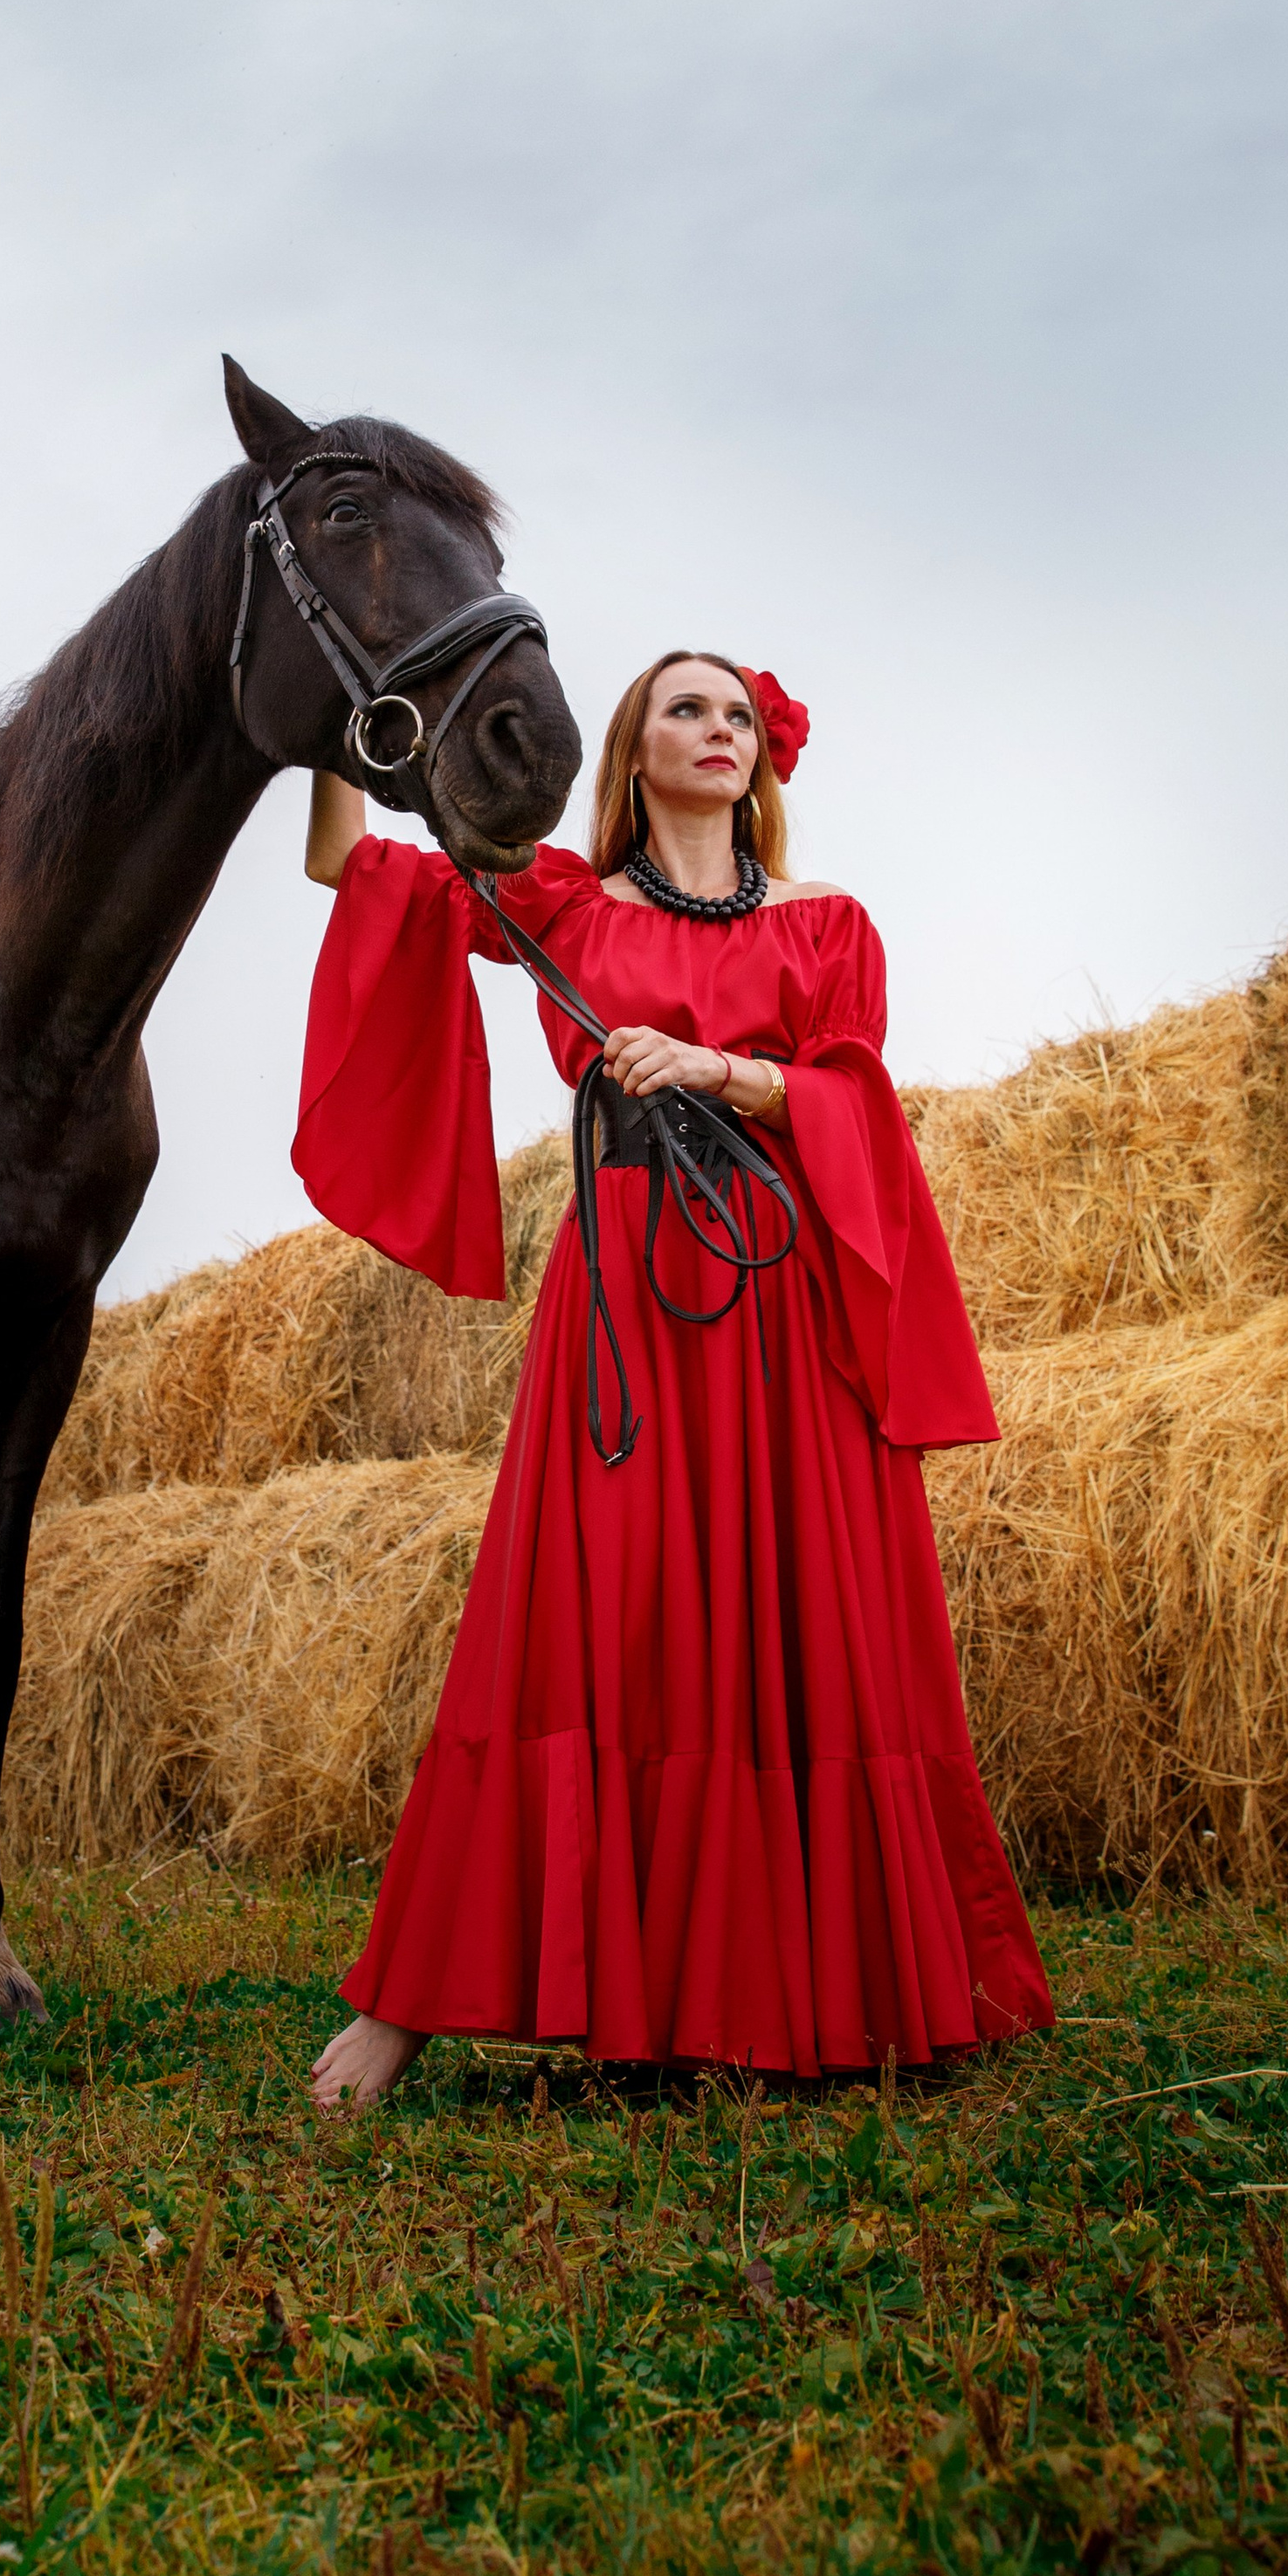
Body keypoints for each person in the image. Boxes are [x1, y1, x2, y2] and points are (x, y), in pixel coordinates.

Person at [296, 650, 1052, 2106]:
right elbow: (350, 868)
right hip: (627, 1289)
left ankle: (844, 1995)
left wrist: (716, 1073)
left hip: (777, 1282)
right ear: (631, 753)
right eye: (685, 709)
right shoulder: (566, 907)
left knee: (807, 1621)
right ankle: (411, 2001)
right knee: (576, 1613)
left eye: (738, 715)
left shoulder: (831, 926)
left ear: (765, 758)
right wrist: (332, 731)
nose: (718, 730)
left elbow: (850, 1090)